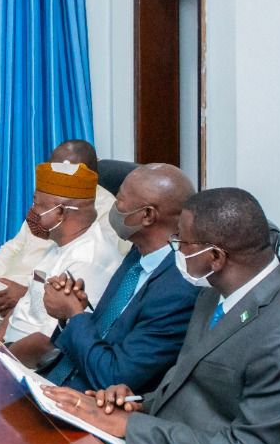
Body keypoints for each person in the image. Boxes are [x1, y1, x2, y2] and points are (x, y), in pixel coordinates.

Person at [42, 188, 280, 444]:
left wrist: (130, 426)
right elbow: (190, 386)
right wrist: (136, 403)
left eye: (181, 241)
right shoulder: (211, 292)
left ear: (215, 257)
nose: (174, 246)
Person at [38, 163, 199, 394]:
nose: (113, 207)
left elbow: (114, 377)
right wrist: (77, 310)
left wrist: (74, 315)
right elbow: (108, 333)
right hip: (55, 381)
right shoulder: (138, 253)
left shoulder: (179, 290)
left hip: (90, 401)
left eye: (119, 200)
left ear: (147, 215)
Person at [0, 140, 130, 329]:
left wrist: (27, 292)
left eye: (67, 172)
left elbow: (79, 284)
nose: (59, 178)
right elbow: (14, 246)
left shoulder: (99, 217)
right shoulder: (46, 203)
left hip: (42, 300)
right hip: (14, 289)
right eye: (55, 170)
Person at [0, 161, 125, 348]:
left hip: (27, 361)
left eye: (36, 204)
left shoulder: (86, 260)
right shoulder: (61, 245)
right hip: (8, 348)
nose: (32, 211)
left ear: (59, 212)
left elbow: (47, 343)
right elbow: (25, 305)